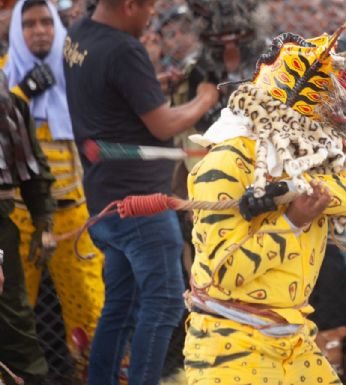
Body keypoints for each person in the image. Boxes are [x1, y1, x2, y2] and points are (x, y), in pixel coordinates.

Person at [181, 24, 346, 384]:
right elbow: (225, 271)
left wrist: (295, 189)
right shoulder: (223, 165)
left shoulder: (312, 161)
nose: (330, 124)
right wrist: (292, 222)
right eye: (320, 112)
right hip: (232, 348)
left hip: (294, 338)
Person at [62, 0, 219, 382]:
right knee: (165, 303)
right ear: (130, 5)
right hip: (141, 207)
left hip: (106, 200)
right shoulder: (124, 49)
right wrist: (205, 98)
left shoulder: (80, 33)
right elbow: (165, 126)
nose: (152, 19)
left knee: (121, 305)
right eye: (149, 8)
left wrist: (147, 87)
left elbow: (109, 90)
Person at [3, 0, 105, 358]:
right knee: (12, 310)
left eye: (46, 21)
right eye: (29, 24)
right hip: (17, 213)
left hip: (75, 210)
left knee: (91, 307)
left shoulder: (77, 71)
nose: (39, 30)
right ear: (17, 30)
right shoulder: (5, 73)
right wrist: (21, 94)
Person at [0, 69, 53, 385]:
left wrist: (42, 223)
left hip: (3, 228)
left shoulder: (10, 103)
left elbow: (33, 171)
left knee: (16, 330)